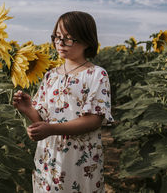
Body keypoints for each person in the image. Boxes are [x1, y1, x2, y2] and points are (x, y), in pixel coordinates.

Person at [13, 11, 114, 193]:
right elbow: (42, 118)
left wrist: (51, 129)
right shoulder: (51, 75)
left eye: (68, 39)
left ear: (87, 40)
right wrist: (28, 110)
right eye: (57, 37)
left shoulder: (96, 74)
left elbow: (94, 119)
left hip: (80, 157)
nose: (60, 43)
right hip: (49, 157)